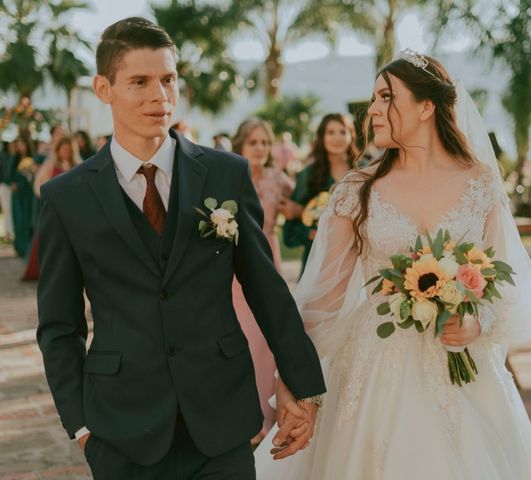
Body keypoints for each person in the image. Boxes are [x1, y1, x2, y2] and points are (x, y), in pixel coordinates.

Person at [36, 17, 324, 480]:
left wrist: (304, 385)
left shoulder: (226, 174)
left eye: (168, 79)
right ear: (103, 88)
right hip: (120, 428)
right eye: (140, 82)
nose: (160, 95)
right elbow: (59, 326)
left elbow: (266, 289)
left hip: (222, 422)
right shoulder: (65, 198)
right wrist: (83, 425)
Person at [255, 50, 531, 478]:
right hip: (374, 370)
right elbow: (323, 303)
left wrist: (478, 322)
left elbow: (509, 281)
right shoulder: (357, 191)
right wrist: (298, 384)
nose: (373, 109)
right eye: (374, 98)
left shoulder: (480, 183)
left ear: (427, 106)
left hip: (464, 370)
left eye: (386, 97)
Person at [230, 118, 294, 445]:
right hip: (235, 264)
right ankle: (240, 413)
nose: (260, 148)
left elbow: (299, 204)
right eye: (253, 142)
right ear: (240, 144)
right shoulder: (227, 175)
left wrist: (299, 212)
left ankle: (265, 417)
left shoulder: (278, 180)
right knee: (242, 335)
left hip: (268, 258)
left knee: (265, 337)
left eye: (265, 143)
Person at [282, 113, 357, 277]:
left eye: (342, 132)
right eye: (330, 132)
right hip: (319, 262)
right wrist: (309, 232)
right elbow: (290, 233)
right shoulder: (308, 175)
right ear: (321, 137)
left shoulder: (364, 172)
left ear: (351, 135)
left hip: (357, 259)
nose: (337, 137)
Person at [23, 136, 81, 280]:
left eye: (68, 150)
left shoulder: (78, 164)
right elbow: (38, 186)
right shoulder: (50, 164)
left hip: (73, 210)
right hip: (55, 209)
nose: (66, 152)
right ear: (59, 149)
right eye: (63, 149)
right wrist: (49, 198)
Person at [10, 136, 37, 258]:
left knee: (27, 219)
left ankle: (27, 248)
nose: (20, 146)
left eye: (22, 144)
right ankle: (19, 247)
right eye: (19, 144)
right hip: (17, 195)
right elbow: (8, 175)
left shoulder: (32, 159)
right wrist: (13, 183)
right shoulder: (14, 159)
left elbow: (33, 178)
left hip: (27, 193)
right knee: (18, 220)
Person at [0, 141, 15, 242]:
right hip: (5, 185)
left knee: (11, 210)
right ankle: (8, 233)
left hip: (12, 186)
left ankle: (11, 233)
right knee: (7, 209)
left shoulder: (14, 156)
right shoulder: (4, 156)